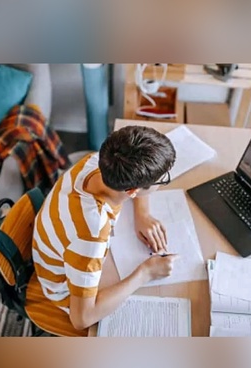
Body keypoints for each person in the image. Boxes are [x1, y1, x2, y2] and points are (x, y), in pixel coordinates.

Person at [32, 125, 178, 331]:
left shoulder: (97, 162)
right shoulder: (90, 235)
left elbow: (136, 185)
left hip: (66, 250)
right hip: (65, 290)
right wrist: (146, 273)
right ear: (132, 191)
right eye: (162, 180)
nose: (163, 182)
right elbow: (81, 319)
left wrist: (142, 214)